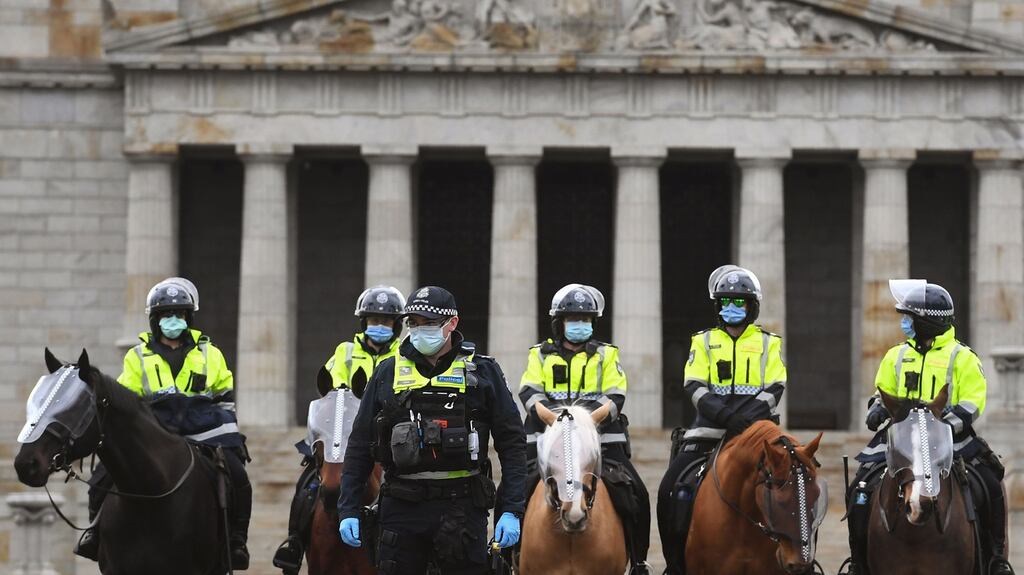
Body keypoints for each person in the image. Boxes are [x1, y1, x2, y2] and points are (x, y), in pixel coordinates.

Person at [337, 286, 527, 574]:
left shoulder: (482, 372)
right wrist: (348, 507)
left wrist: (511, 509)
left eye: (428, 323)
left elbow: (512, 443)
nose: (418, 329)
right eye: (413, 323)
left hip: (461, 507)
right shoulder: (387, 372)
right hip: (402, 506)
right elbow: (361, 443)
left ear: (452, 324)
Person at [75, 277, 252, 569]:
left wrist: (226, 433)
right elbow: (127, 399)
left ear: (188, 318)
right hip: (154, 429)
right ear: (156, 321)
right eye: (167, 315)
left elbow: (224, 397)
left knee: (238, 475)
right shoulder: (137, 356)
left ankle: (236, 541)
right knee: (102, 475)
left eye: (180, 315)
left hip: (203, 429)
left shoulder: (211, 354)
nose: (174, 320)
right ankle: (94, 533)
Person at [842, 280, 1014, 575]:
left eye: (909, 318)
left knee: (989, 481)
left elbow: (973, 401)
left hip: (949, 440)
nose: (904, 323)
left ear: (925, 322)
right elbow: (881, 391)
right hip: (900, 441)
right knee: (860, 487)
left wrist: (944, 423)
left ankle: (996, 559)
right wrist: (876, 409)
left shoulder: (963, 357)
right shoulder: (896, 355)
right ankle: (858, 562)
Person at [656, 265, 787, 575]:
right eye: (725, 302)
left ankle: (801, 560)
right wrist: (727, 418)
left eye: (738, 302)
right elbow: (694, 387)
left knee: (796, 488)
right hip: (707, 433)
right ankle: (675, 564)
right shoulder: (703, 341)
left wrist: (746, 422)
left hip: (758, 435)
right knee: (669, 489)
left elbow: (775, 387)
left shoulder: (770, 343)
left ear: (751, 307)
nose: (731, 308)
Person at [518, 283, 652, 575]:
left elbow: (616, 395)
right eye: (573, 319)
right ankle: (506, 557)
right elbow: (529, 393)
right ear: (559, 323)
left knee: (635, 492)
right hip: (548, 441)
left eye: (586, 320)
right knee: (515, 490)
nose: (579, 325)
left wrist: (587, 422)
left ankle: (639, 561)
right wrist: (554, 421)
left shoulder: (606, 354)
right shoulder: (539, 354)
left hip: (601, 441)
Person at [273, 285, 406, 574]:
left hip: (393, 438)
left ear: (396, 325)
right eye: (373, 321)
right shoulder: (344, 352)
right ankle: (295, 542)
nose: (379, 326)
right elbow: (332, 394)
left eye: (385, 321)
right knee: (308, 485)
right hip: (346, 436)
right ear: (363, 323)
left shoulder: (406, 356)